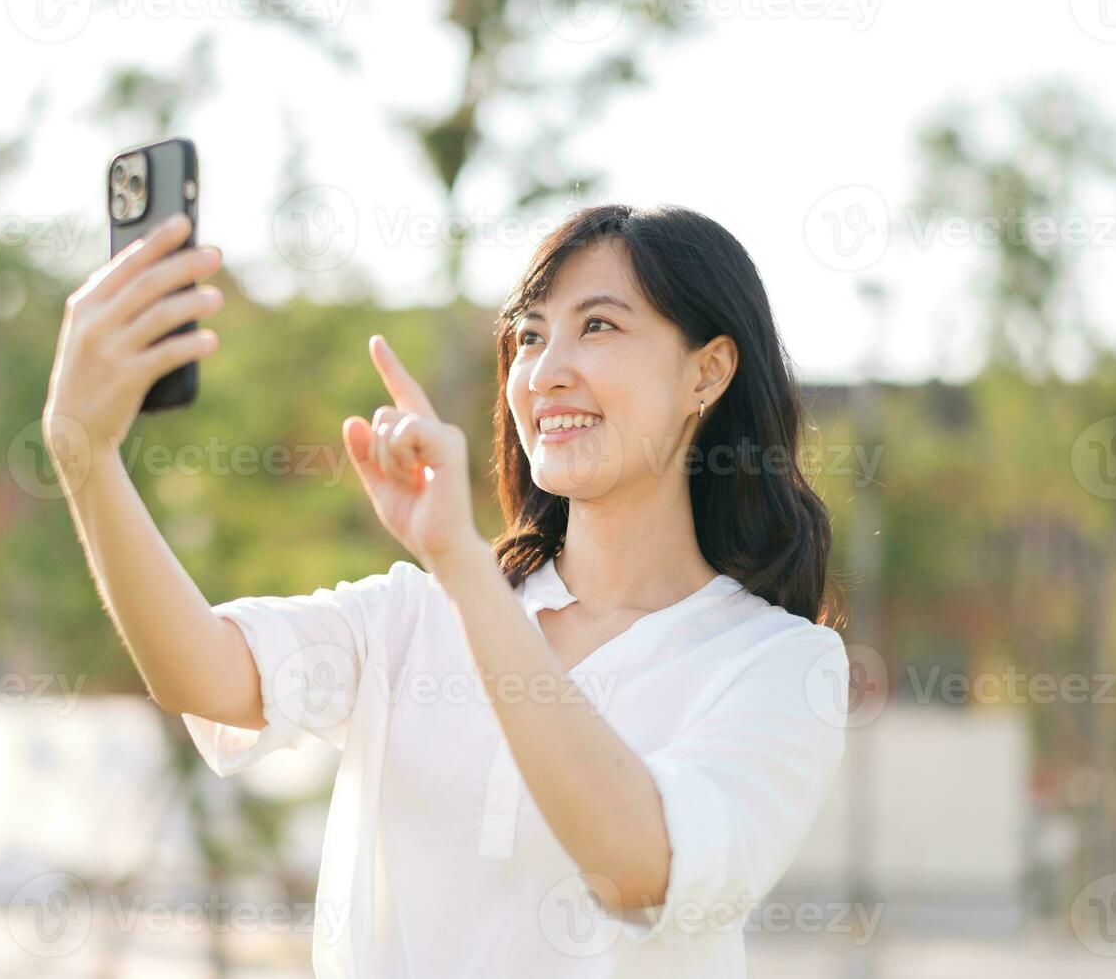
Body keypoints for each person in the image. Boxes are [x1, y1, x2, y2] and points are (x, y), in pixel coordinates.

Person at [43, 204, 852, 978]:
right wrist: (86, 455)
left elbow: (638, 865)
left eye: (598, 325)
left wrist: (461, 562)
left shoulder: (780, 665)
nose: (544, 373)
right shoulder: (413, 614)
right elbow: (204, 675)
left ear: (707, 371)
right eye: (529, 336)